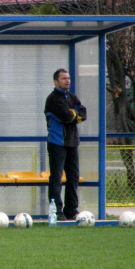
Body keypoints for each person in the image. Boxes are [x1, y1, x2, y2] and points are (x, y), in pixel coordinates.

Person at [44, 68, 87, 221]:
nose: (67, 80)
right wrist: (74, 115)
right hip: (57, 143)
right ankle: (56, 211)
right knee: (56, 178)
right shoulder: (53, 99)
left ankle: (71, 210)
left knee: (73, 177)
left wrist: (74, 114)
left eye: (68, 78)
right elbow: (66, 116)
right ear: (56, 81)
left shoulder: (72, 97)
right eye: (63, 78)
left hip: (72, 142)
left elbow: (83, 113)